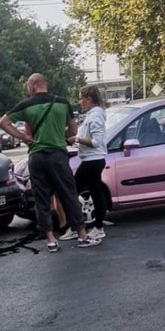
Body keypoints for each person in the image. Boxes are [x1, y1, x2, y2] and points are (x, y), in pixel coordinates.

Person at [0, 73, 101, 253]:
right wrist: (65, 137)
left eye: (28, 87)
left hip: (37, 157)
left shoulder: (27, 105)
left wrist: (24, 137)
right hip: (58, 156)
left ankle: (51, 240)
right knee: (69, 194)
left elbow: (3, 123)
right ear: (45, 84)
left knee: (42, 199)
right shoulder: (62, 103)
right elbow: (73, 128)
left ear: (32, 85)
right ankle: (82, 236)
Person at [62, 84, 108, 240]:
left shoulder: (95, 116)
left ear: (89, 99)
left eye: (81, 98)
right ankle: (80, 226)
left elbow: (96, 141)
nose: (79, 101)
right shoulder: (92, 115)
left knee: (90, 192)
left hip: (93, 160)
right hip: (89, 159)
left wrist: (76, 139)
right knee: (87, 192)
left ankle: (96, 227)